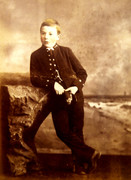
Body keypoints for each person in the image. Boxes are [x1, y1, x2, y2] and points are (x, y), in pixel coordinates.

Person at [23, 18, 101, 175]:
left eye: (50, 33)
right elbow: (34, 78)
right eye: (43, 33)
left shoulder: (66, 51)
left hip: (76, 96)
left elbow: (82, 73)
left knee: (77, 130)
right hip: (57, 100)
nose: (46, 36)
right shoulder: (36, 55)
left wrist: (75, 87)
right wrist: (53, 84)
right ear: (39, 35)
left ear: (58, 36)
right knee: (62, 131)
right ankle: (90, 154)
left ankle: (80, 165)